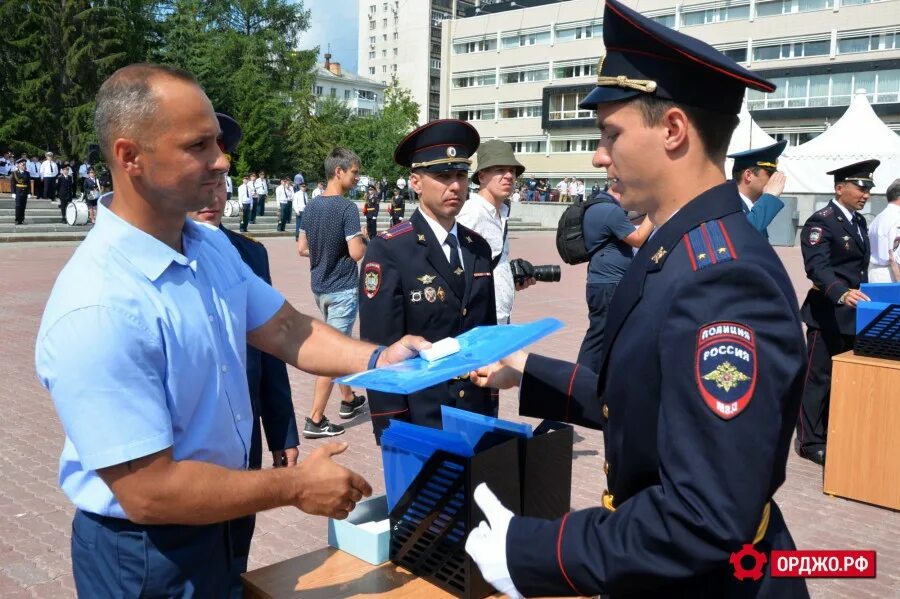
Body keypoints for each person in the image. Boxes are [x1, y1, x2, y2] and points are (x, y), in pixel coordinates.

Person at [35, 63, 426, 598]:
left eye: (217, 143)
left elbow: (287, 329)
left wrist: (381, 359)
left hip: (220, 517)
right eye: (198, 145)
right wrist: (293, 486)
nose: (222, 160)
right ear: (131, 158)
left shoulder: (207, 246)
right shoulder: (99, 306)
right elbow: (148, 492)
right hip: (148, 552)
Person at [462, 2, 809, 597]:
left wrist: (537, 551)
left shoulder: (721, 278)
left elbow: (704, 515)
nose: (600, 156)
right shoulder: (679, 248)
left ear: (672, 129)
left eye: (611, 134)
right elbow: (647, 399)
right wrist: (527, 372)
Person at [358, 120, 499, 443]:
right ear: (416, 183)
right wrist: (393, 431)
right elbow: (379, 349)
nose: (455, 186)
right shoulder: (391, 249)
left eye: (461, 176)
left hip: (473, 415)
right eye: (443, 176)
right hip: (421, 420)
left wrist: (490, 406)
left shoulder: (477, 247)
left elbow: (486, 337)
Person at [795, 160, 877, 466]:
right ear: (839, 187)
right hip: (827, 313)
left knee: (842, 379)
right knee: (817, 379)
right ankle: (808, 440)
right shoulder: (822, 221)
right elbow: (817, 266)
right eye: (860, 187)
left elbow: (858, 268)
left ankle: (833, 432)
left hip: (854, 314)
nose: (866, 194)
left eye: (869, 188)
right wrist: (840, 292)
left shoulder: (858, 222)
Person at [298, 148, 369, 439]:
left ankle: (349, 400)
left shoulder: (312, 206)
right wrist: (363, 238)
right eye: (354, 172)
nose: (357, 178)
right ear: (338, 171)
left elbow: (302, 248)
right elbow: (355, 254)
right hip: (343, 288)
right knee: (332, 354)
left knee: (339, 342)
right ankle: (315, 419)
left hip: (320, 287)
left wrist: (324, 252)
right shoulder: (347, 208)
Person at [576, 187, 653, 369]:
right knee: (599, 335)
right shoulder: (610, 211)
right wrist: (654, 211)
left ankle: (594, 376)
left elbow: (633, 219)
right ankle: (582, 378)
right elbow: (639, 238)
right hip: (608, 284)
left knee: (603, 333)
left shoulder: (599, 207)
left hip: (603, 281)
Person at [458, 139, 533, 324]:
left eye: (512, 171)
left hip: (500, 317)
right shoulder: (472, 212)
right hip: (479, 321)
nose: (509, 176)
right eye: (500, 170)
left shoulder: (502, 213)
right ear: (481, 176)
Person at [728, 140, 788, 238]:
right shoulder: (727, 203)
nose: (774, 179)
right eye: (770, 173)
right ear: (748, 175)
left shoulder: (752, 206)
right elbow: (743, 235)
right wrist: (769, 197)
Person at [867, 178, 900, 282]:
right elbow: (895, 258)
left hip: (875, 273)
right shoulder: (897, 218)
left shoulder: (879, 218)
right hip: (892, 276)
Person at [11, 158, 30, 225]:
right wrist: (13, 192)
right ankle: (17, 220)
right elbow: (13, 183)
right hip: (18, 191)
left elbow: (28, 183)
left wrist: (29, 193)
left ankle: (22, 220)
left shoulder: (27, 173)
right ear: (18, 165)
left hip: (25, 191)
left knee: (23, 206)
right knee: (18, 206)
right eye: (22, 165)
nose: (24, 166)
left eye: (24, 165)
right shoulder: (15, 173)